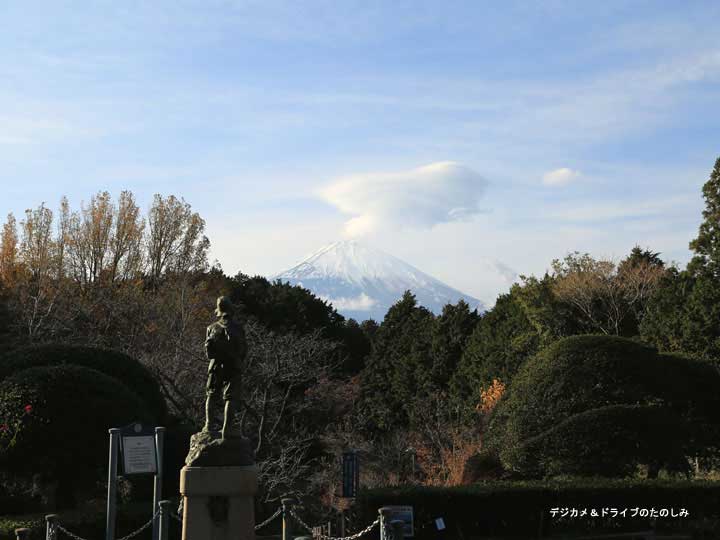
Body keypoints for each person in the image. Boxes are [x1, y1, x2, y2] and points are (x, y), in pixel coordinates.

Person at [203, 296, 246, 439]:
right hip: (233, 366)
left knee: (211, 394)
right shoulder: (238, 328)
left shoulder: (211, 328)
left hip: (215, 366)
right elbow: (243, 350)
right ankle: (227, 429)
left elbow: (209, 354)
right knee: (231, 398)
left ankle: (208, 425)